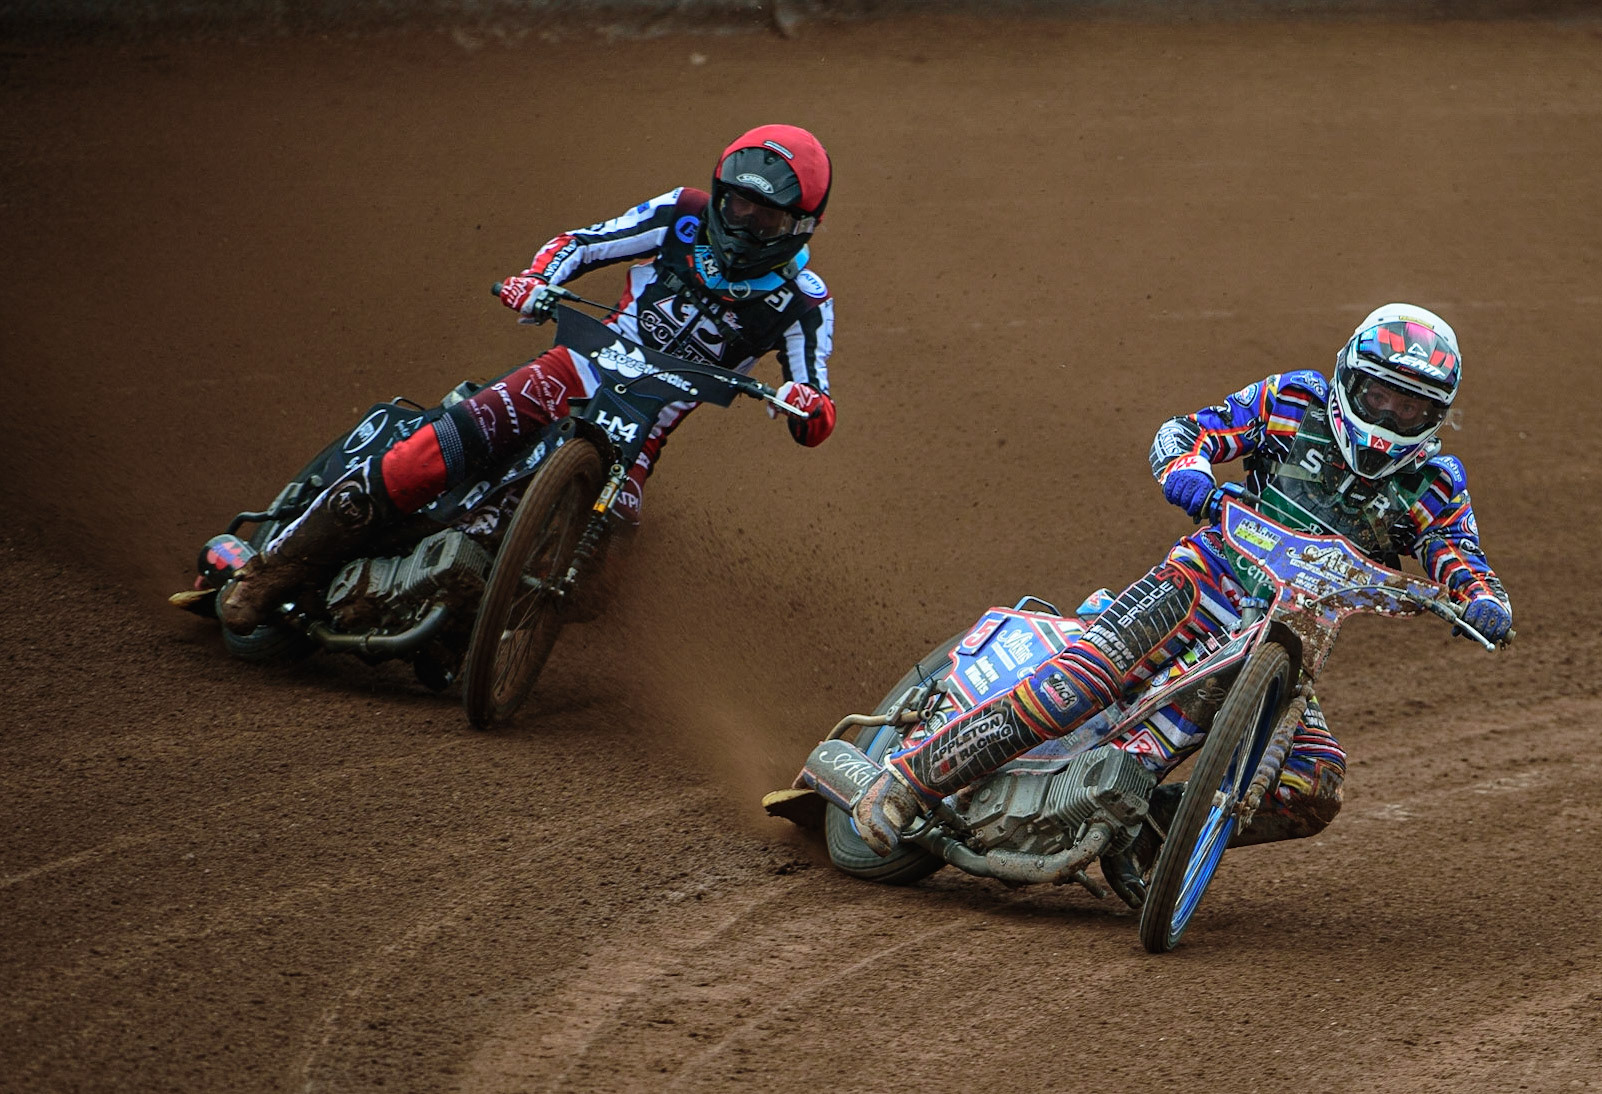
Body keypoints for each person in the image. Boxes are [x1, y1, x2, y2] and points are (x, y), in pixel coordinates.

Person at [853, 304, 1513, 904]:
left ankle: (1148, 833)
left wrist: (1481, 601)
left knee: (1315, 782)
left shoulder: (1433, 482)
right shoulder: (1292, 401)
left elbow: (1458, 554)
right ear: (1349, 378)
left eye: (1410, 405)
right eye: (1381, 393)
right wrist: (1192, 478)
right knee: (1073, 689)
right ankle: (909, 780)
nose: (1392, 415)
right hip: (1204, 581)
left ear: (1435, 415)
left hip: (1293, 635)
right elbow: (1187, 433)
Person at [221, 124, 837, 635]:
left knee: (600, 584)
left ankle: (479, 620)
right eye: (738, 204)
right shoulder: (681, 215)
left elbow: (817, 405)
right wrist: (537, 279)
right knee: (434, 451)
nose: (744, 222)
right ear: (719, 192)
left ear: (800, 227)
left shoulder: (805, 302)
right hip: (569, 370)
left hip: (640, 432)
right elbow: (584, 243)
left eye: (766, 220)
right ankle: (271, 570)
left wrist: (805, 404)